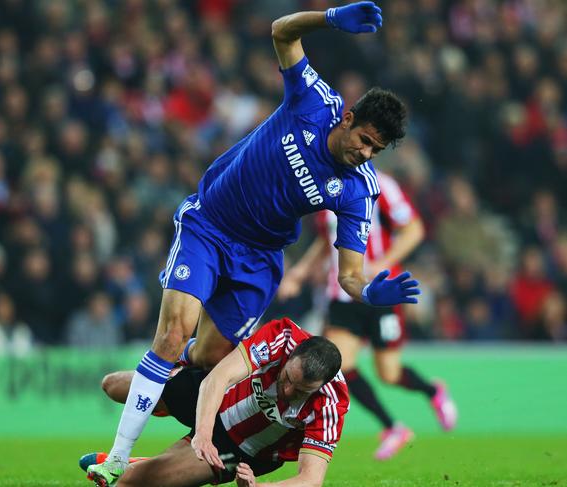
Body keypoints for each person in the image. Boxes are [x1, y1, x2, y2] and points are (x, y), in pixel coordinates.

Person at [88, 3, 420, 484]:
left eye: (375, 150)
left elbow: (348, 272)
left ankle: (159, 387)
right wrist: (327, 19)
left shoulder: (357, 189)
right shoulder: (312, 100)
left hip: (259, 261)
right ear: (348, 118)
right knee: (174, 332)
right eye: (364, 140)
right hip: (210, 224)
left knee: (205, 361)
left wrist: (368, 291)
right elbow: (281, 32)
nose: (364, 154)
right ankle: (119, 454)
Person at [278, 170, 457, 460]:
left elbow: (414, 229)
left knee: (389, 374)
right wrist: (299, 273)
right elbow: (328, 241)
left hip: (379, 293)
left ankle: (433, 390)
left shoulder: (380, 185)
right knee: (339, 366)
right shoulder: (324, 190)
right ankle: (392, 428)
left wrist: (383, 263)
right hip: (342, 296)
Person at [84, 317, 349, 487]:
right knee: (112, 385)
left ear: (321, 387)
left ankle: (137, 465)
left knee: (132, 482)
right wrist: (202, 434)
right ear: (291, 356)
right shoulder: (283, 337)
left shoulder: (330, 405)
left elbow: (310, 479)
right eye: (288, 378)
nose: (288, 391)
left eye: (301, 391)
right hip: (213, 393)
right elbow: (218, 379)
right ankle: (189, 359)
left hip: (240, 448)